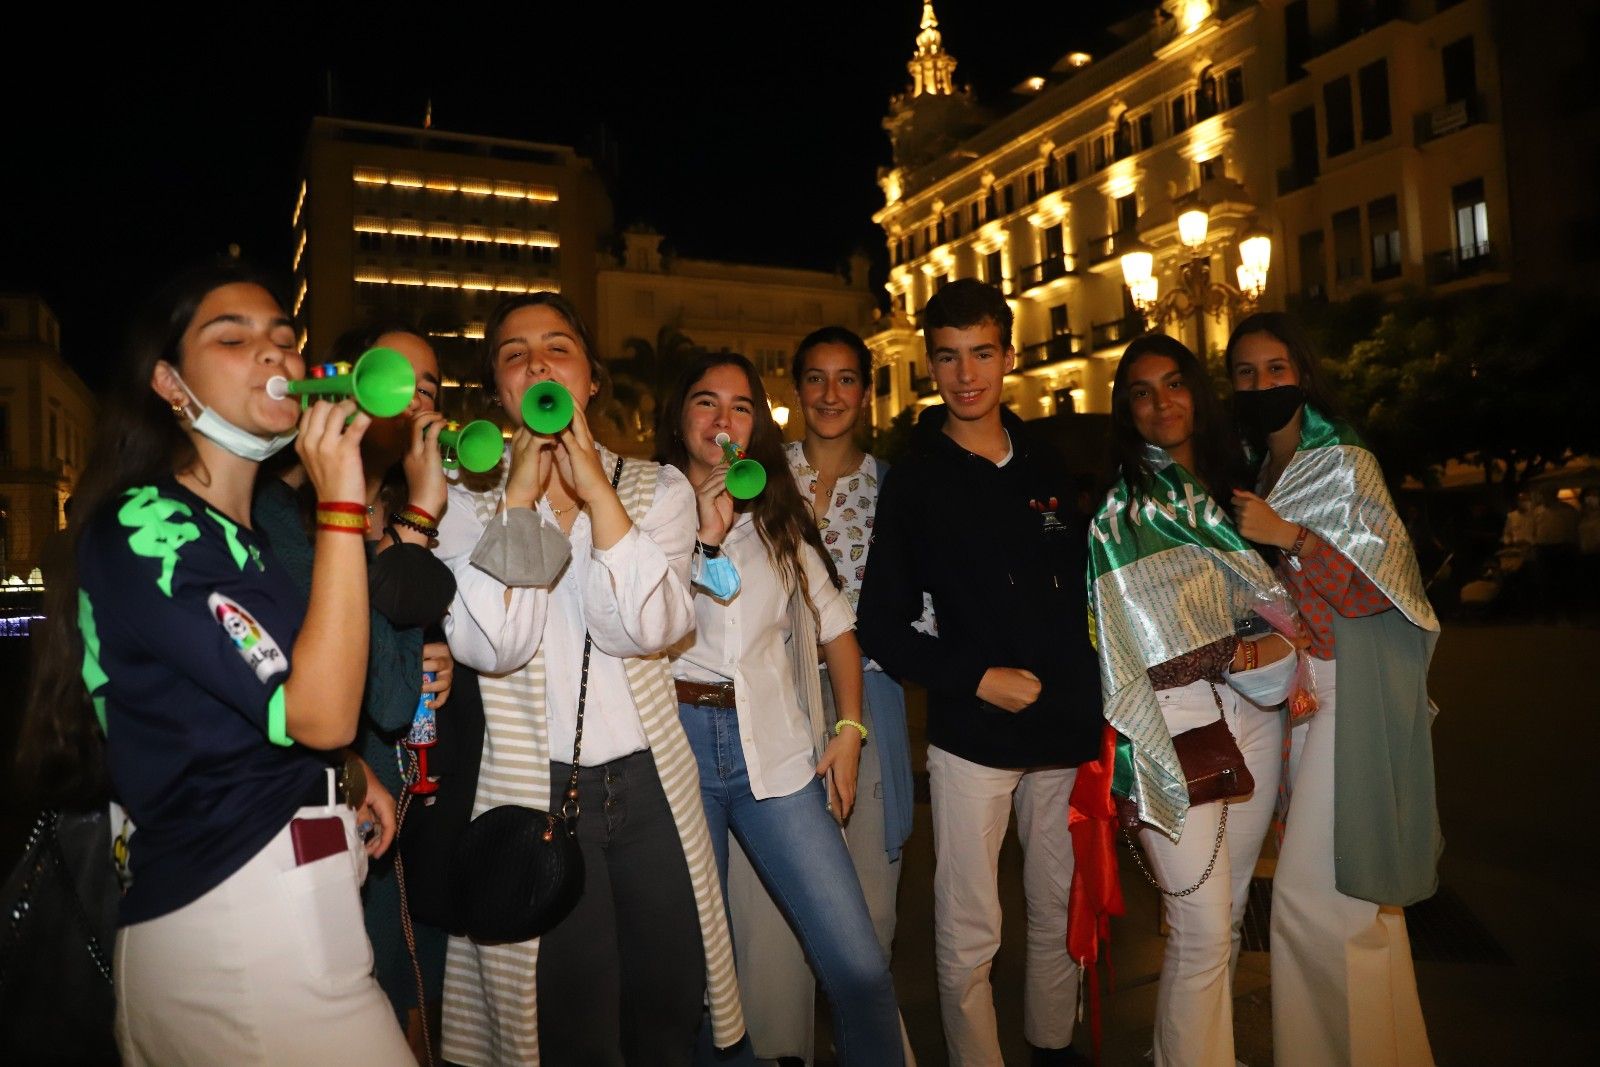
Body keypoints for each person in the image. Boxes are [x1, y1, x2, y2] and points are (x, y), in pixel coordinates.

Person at [17, 260, 412, 1064]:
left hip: (281, 928)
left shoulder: (240, 536)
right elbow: (322, 707)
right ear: (169, 383)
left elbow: (266, 701)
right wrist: (342, 503)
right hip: (239, 936)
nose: (274, 355)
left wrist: (342, 769)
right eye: (232, 338)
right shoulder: (150, 523)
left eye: (284, 338)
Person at [435, 293, 742, 1066]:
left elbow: (645, 628)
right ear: (500, 392)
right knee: (573, 1026)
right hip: (532, 788)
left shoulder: (656, 489)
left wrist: (597, 495)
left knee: (667, 1006)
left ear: (591, 379)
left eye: (557, 348)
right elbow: (493, 644)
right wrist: (521, 501)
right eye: (515, 354)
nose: (537, 363)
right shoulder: (467, 508)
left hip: (648, 789)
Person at [856, 279, 1101, 1066]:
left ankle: (1052, 1044)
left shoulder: (1048, 461)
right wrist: (973, 677)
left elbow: (1084, 590)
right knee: (970, 925)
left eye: (982, 353)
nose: (967, 375)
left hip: (1063, 728)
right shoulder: (915, 479)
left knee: (1058, 905)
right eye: (949, 358)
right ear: (930, 365)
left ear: (1009, 354)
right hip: (971, 735)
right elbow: (881, 626)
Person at [657, 351, 905, 1066]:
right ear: (681, 415)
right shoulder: (646, 505)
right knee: (707, 972)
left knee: (858, 961)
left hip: (776, 743)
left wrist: (850, 729)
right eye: (707, 401)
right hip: (677, 749)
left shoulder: (776, 513)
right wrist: (699, 531)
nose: (723, 418)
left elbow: (836, 626)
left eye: (740, 405)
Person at [1225, 311, 1440, 1067]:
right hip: (1308, 698)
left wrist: (1287, 535)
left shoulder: (1344, 461)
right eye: (1245, 373)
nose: (1261, 385)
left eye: (1275, 369)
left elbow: (1381, 590)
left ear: (1303, 374)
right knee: (1355, 907)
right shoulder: (1263, 475)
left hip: (1353, 694)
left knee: (1315, 903)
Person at [1087, 334, 1302, 1067]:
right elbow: (1132, 643)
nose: (1161, 402)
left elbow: (1279, 605)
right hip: (1173, 722)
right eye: (1142, 391)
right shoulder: (1120, 512)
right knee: (1202, 927)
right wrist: (1235, 648)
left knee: (1226, 919)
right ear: (1126, 410)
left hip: (1257, 714)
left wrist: (1254, 647)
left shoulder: (1232, 490)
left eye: (1174, 383)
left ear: (1197, 393)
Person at [252, 322, 458, 1059]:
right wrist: (415, 526)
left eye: (428, 387)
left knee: (424, 1010)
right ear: (343, 383)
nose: (412, 399)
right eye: (393, 377)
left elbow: (409, 669)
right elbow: (388, 699)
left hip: (415, 825)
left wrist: (443, 656)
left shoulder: (403, 507)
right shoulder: (275, 516)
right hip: (328, 828)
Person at [784, 325, 915, 960]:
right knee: (779, 893)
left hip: (863, 698)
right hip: (772, 697)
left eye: (846, 379)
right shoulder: (760, 479)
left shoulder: (894, 489)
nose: (830, 394)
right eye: (816, 378)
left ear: (864, 393)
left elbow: (923, 608)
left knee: (871, 896)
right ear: (797, 388)